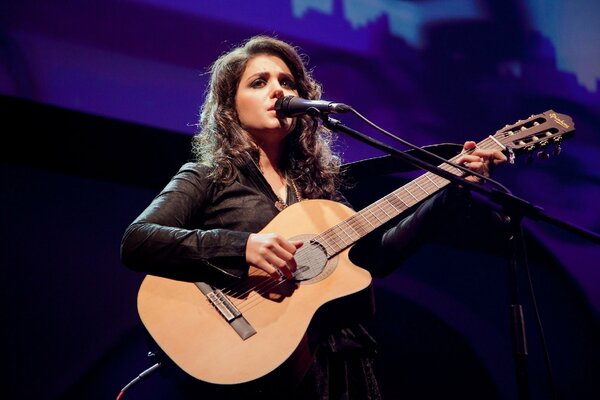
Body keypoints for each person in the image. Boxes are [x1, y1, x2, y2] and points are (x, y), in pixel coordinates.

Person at [120, 35, 507, 399]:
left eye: (287, 82)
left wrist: (452, 192)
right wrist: (243, 246)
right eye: (259, 82)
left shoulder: (319, 194)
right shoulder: (207, 177)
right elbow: (139, 240)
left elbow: (377, 259)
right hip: (252, 367)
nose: (279, 91)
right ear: (229, 108)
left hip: (336, 367)